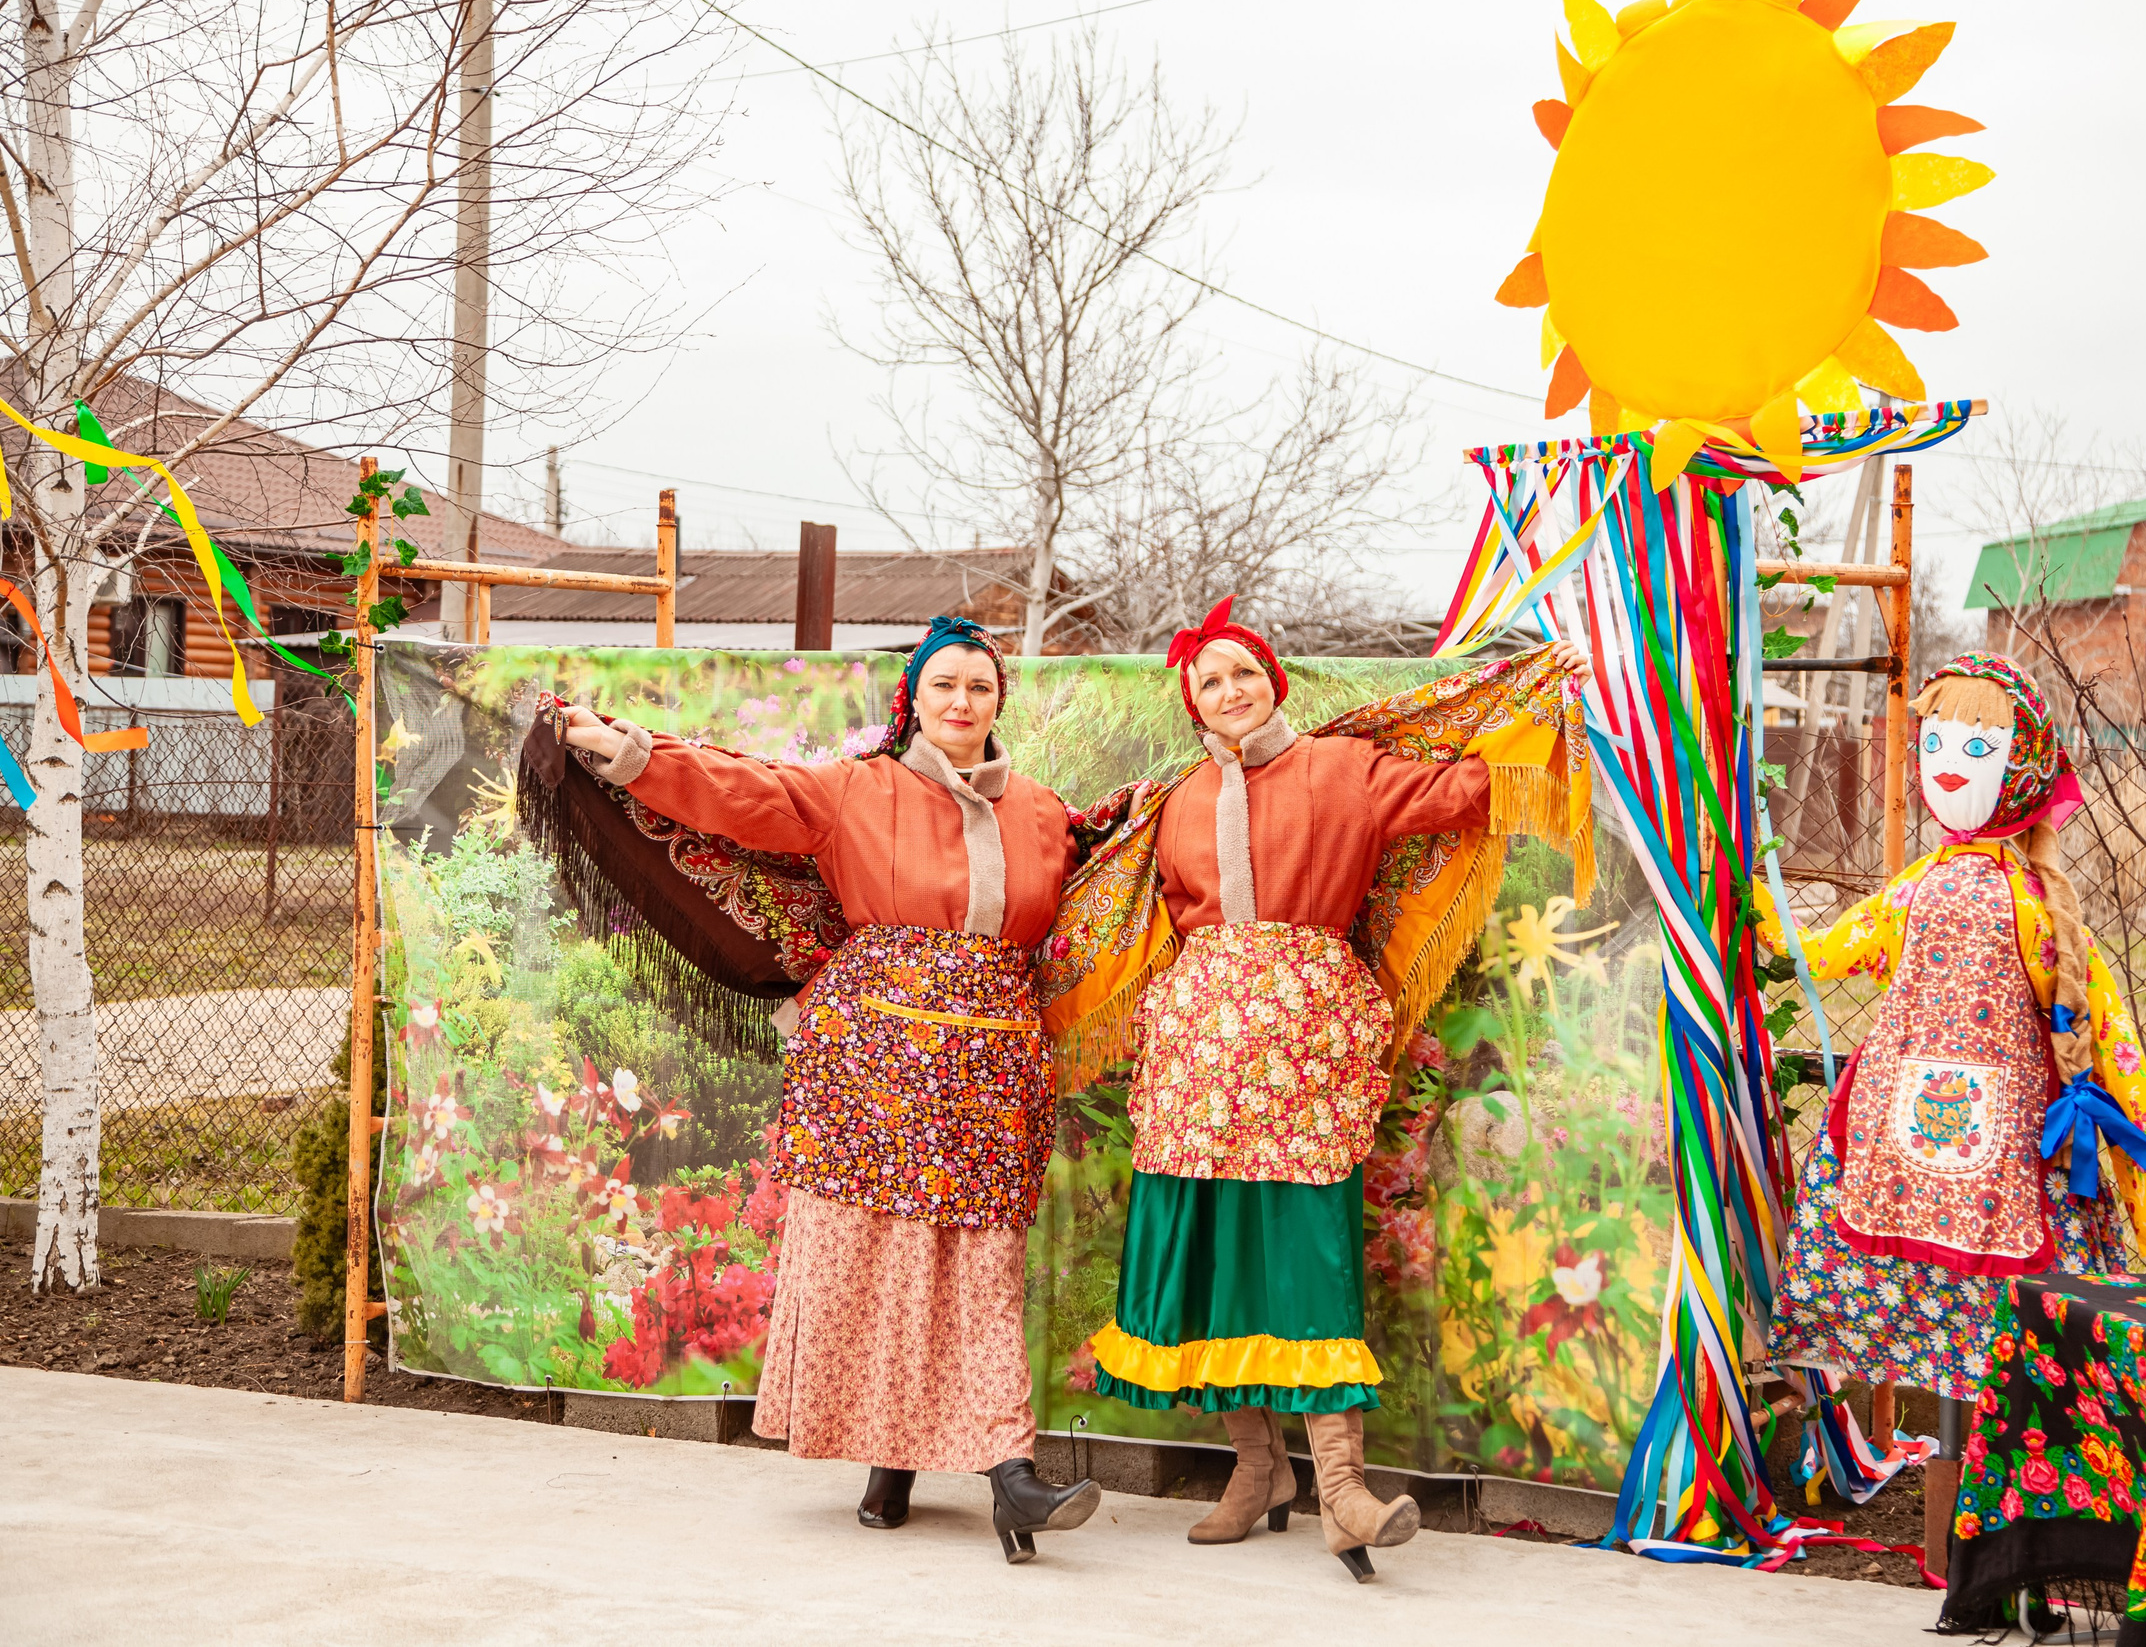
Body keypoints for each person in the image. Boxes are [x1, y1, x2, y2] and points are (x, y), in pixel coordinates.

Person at [1047, 599, 1592, 1584]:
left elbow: (1467, 790)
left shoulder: (1349, 772)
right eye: (1207, 681)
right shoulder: (1169, 803)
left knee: (1305, 1255)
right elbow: (1112, 899)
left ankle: (1341, 1485)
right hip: (1196, 1065)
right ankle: (1258, 1472)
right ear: (1193, 704)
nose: (1227, 690)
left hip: (1308, 1052)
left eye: (1240, 672)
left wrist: (1550, 712)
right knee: (1208, 1255)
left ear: (1273, 679)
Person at [553, 615, 1100, 1566]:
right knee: (872, 1259)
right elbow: (742, 790)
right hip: (868, 1068)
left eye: (979, 685)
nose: (963, 701)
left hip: (992, 1076)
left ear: (998, 699)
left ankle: (1012, 1471)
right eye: (945, 686)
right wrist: (630, 753)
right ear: (915, 700)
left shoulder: (1046, 812)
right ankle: (892, 1461)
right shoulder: (858, 789)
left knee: (981, 1267)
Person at [1762, 652, 2146, 1401]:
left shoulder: (2040, 913)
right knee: (2004, 1317)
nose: (1946, 764)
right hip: (1935, 1147)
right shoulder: (1932, 891)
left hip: (1977, 1150)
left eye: (1977, 748)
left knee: (2004, 1318)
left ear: (2023, 771)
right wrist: (1758, 908)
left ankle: (1979, 1471)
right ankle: (1966, 1465)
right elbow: (1829, 949)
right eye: (1934, 741)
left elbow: (2107, 1039)